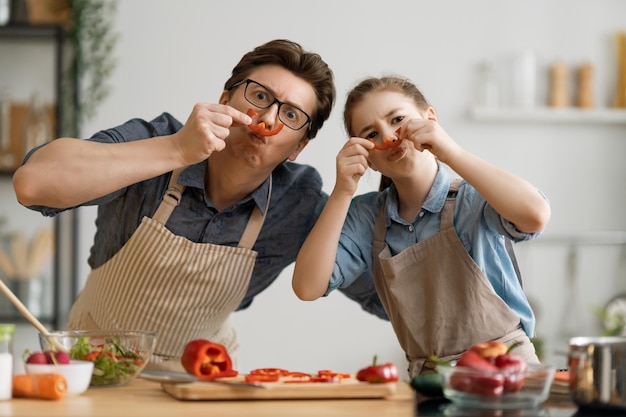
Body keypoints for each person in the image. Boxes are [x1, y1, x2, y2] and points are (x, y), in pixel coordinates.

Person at [13, 39, 336, 371]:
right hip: (95, 371)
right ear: (225, 100)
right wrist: (177, 150)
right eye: (259, 96)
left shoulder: (299, 202)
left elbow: (372, 267)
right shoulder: (158, 138)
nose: (268, 118)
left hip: (204, 381)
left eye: (291, 114)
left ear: (299, 146)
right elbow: (32, 183)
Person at [292, 76, 551, 377]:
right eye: (372, 134)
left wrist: (450, 151)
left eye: (398, 119)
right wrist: (342, 191)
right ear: (369, 159)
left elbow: (535, 215)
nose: (390, 136)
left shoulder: (472, 198)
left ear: (430, 118)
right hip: (431, 384)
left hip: (509, 372)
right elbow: (307, 287)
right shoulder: (365, 217)